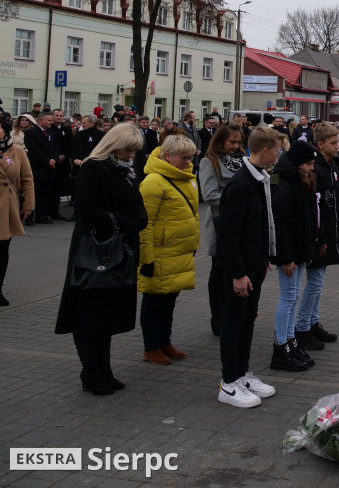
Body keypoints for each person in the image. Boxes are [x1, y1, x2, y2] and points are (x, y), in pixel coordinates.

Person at [54, 123, 148, 395]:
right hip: (93, 251)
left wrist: (129, 221)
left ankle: (104, 367)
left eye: (134, 151)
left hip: (118, 249)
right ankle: (91, 369)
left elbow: (140, 213)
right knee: (86, 313)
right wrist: (122, 222)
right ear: (114, 144)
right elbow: (87, 209)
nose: (132, 155)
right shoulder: (92, 168)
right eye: (128, 150)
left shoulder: (126, 171)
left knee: (106, 313)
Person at [216, 126, 281, 407]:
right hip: (239, 271)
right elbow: (228, 235)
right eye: (277, 150)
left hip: (255, 265)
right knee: (234, 322)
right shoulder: (241, 184)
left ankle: (243, 373)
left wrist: (264, 256)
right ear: (265, 151)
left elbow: (262, 225)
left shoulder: (261, 180)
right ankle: (228, 382)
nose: (280, 155)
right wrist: (238, 273)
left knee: (248, 319)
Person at [138, 134, 200, 365]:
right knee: (154, 302)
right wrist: (147, 258)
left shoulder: (186, 177)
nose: (187, 162)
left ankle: (165, 342)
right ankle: (150, 347)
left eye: (190, 157)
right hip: (159, 253)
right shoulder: (153, 182)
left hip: (178, 251)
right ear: (168, 156)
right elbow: (144, 224)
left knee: (169, 301)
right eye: (183, 158)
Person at [269, 139, 318, 372]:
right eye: (308, 163)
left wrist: (307, 251)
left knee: (293, 297)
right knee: (288, 298)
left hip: (299, 249)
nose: (311, 168)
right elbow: (280, 223)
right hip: (288, 252)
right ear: (298, 163)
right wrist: (286, 257)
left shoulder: (299, 179)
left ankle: (290, 341)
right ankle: (281, 345)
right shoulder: (283, 182)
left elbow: (306, 219)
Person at [296, 122, 339, 352]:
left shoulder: (331, 165)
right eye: (333, 143)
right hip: (319, 234)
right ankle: (302, 327)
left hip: (330, 231)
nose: (338, 146)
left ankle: (313, 322)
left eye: (338, 142)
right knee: (314, 283)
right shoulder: (316, 169)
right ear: (320, 144)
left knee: (319, 281)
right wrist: (321, 236)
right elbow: (316, 207)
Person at [199, 123, 246, 337]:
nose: (236, 146)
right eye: (232, 142)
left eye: (238, 142)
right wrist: (238, 206)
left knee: (235, 270)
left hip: (242, 224)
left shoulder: (241, 159)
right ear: (220, 141)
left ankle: (232, 312)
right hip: (221, 222)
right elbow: (210, 196)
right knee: (219, 271)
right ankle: (218, 316)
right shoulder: (210, 162)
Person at [0, 115, 34, 306]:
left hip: (7, 206)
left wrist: (29, 203)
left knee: (3, 250)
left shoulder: (17, 151)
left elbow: (27, 178)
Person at [23, 111, 60, 224]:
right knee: (34, 194)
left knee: (45, 194)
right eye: (49, 120)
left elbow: (56, 147)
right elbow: (34, 150)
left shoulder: (51, 132)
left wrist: (54, 158)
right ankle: (29, 217)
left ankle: (42, 215)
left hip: (49, 168)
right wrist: (46, 161)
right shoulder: (31, 132)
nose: (51, 122)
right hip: (37, 168)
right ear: (41, 120)